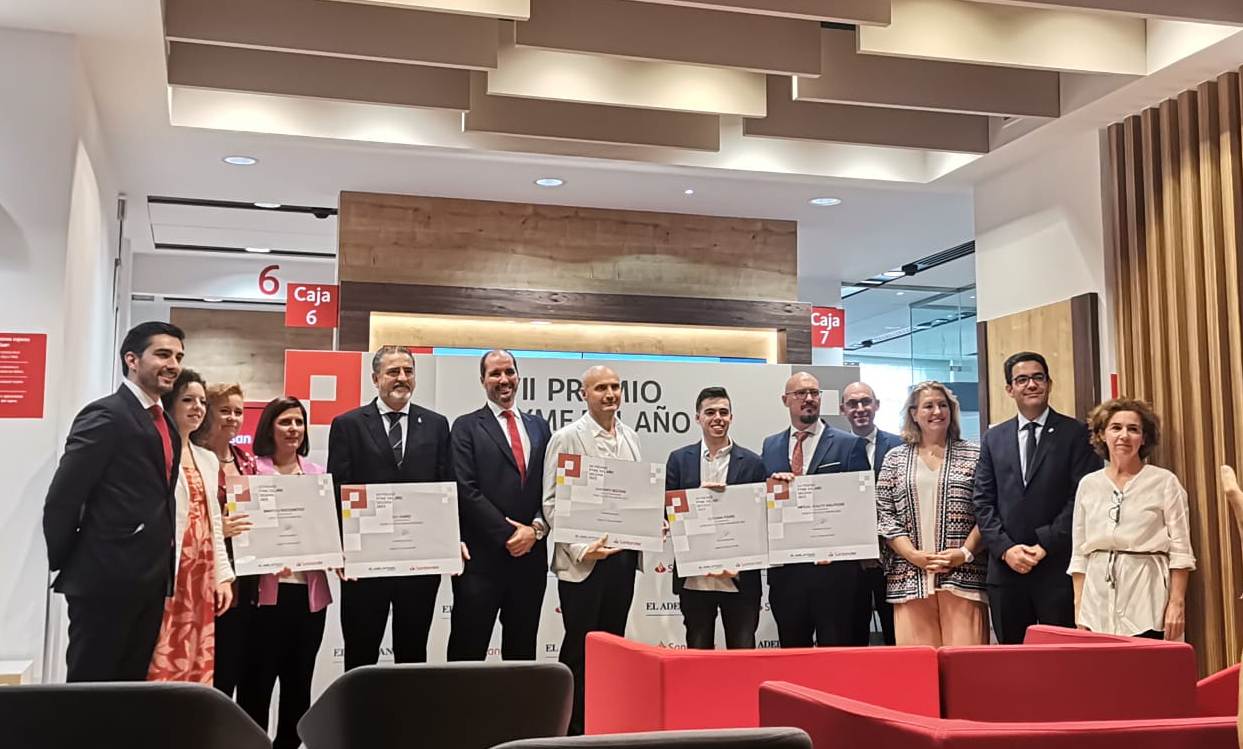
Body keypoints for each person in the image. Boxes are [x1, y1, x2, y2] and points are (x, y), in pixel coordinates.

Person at [43, 321, 186, 682]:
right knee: (91, 688)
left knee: (129, 689)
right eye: (163, 354)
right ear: (132, 360)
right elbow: (63, 498)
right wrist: (73, 559)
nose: (173, 365)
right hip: (104, 578)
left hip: (150, 580)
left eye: (178, 357)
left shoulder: (166, 424)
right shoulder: (106, 414)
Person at [327, 345, 451, 669]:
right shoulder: (348, 424)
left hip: (419, 562)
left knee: (413, 654)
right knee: (361, 652)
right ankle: (358, 705)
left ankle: (407, 707)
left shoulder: (436, 425)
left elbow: (445, 488)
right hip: (365, 561)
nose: (402, 378)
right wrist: (341, 548)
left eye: (408, 371)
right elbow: (338, 489)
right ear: (375, 378)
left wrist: (450, 543)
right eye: (393, 372)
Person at [973, 351, 1101, 643]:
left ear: (1049, 383)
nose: (1031, 384)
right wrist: (1006, 549)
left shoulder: (1076, 434)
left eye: (1038, 377)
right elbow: (982, 500)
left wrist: (1044, 544)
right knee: (1013, 660)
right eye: (1022, 379)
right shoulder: (993, 438)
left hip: (1057, 568)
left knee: (1063, 657)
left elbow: (1082, 498)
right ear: (1010, 389)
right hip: (1006, 571)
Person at [542, 365, 643, 735]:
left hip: (622, 558)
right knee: (579, 646)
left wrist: (649, 525)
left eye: (615, 386)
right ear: (583, 394)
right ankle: (569, 728)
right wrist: (581, 548)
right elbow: (551, 502)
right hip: (583, 561)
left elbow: (636, 497)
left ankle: (604, 721)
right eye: (601, 387)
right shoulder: (566, 438)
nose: (610, 394)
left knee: (612, 645)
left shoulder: (631, 437)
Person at [237, 396, 332, 749]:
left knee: (298, 686)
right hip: (264, 598)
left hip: (308, 598)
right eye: (285, 422)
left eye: (298, 422)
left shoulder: (318, 475)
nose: (293, 429)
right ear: (269, 428)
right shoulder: (251, 471)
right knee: (255, 687)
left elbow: (327, 530)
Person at [448, 349, 552, 661]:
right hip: (481, 562)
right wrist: (510, 535)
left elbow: (550, 488)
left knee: (522, 654)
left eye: (509, 371)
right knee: (467, 652)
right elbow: (466, 490)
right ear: (483, 381)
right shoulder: (465, 427)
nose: (503, 379)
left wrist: (535, 530)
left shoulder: (540, 427)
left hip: (530, 560)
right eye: (495, 373)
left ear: (518, 377)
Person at [761, 371, 871, 648]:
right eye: (801, 393)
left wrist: (837, 548)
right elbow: (764, 504)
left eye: (814, 393)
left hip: (835, 576)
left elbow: (861, 507)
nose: (809, 398)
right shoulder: (770, 445)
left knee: (836, 655)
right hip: (787, 575)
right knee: (792, 654)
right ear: (785, 400)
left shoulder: (849, 445)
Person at [1069, 399, 1195, 639]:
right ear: (1102, 435)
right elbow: (1079, 554)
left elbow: (1181, 550)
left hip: (1147, 598)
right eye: (1116, 428)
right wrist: (1079, 608)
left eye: (1133, 429)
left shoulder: (1164, 482)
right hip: (1096, 604)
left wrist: (1176, 603)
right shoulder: (1088, 484)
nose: (1124, 436)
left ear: (1144, 438)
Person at [875, 382, 988, 646]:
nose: (937, 411)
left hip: (964, 577)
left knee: (965, 664)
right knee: (917, 665)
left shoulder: (976, 454)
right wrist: (912, 555)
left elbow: (987, 509)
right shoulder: (894, 458)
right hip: (909, 579)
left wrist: (964, 553)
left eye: (943, 405)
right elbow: (884, 514)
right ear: (914, 414)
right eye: (928, 406)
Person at [147, 369, 235, 682]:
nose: (197, 407)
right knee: (162, 651)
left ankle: (191, 711)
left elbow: (213, 522)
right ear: (170, 403)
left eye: (201, 401)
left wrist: (222, 576)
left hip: (201, 571)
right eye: (188, 400)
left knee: (197, 653)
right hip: (167, 570)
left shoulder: (207, 459)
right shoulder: (155, 452)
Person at [665, 386, 767, 650]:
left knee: (742, 654)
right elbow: (668, 512)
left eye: (723, 412)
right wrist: (696, 501)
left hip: (739, 577)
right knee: (698, 653)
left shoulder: (753, 462)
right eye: (710, 412)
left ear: (731, 417)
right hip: (695, 578)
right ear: (697, 418)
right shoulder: (678, 460)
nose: (717, 418)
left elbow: (760, 520)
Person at [192, 382, 257, 696]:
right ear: (208, 413)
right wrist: (218, 528)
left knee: (233, 662)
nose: (233, 418)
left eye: (238, 412)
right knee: (204, 665)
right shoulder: (192, 456)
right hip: (203, 575)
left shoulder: (247, 461)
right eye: (225, 410)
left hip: (246, 577)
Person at [841, 381, 901, 645]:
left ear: (876, 405)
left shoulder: (901, 445)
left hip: (894, 556)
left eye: (866, 401)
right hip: (851, 562)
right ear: (843, 409)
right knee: (853, 633)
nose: (860, 408)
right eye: (852, 403)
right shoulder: (835, 448)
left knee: (895, 631)